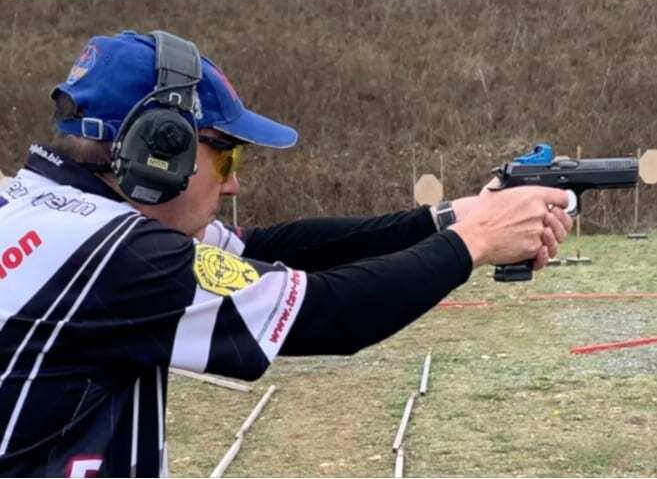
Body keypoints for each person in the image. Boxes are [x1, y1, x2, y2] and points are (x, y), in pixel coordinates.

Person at [0, 30, 572, 477]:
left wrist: (451, 217)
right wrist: (477, 242)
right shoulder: (119, 254)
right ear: (159, 150)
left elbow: (274, 249)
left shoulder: (50, 213)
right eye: (227, 160)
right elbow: (329, 314)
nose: (232, 186)